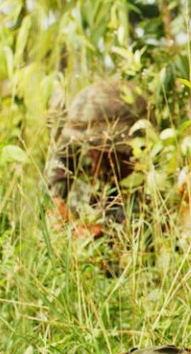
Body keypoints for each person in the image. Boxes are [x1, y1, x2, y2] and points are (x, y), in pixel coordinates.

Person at [46, 79, 148, 243]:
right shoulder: (91, 157)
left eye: (98, 146)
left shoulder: (143, 171)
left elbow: (141, 221)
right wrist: (57, 202)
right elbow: (62, 161)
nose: (89, 153)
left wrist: (102, 231)